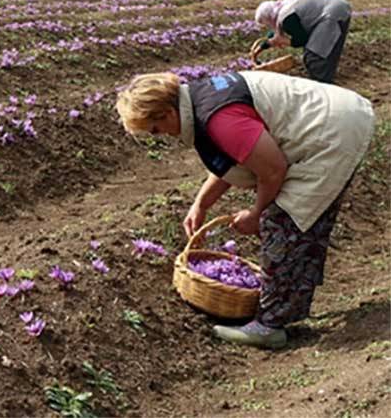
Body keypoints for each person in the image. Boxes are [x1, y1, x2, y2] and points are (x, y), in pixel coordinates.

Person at [115, 70, 374, 349]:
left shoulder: (218, 118)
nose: (161, 136)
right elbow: (240, 154)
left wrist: (256, 214)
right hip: (336, 119)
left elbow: (272, 169)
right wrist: (201, 203)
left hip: (330, 133)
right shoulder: (203, 100)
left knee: (282, 220)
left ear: (167, 113)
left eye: (155, 129)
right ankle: (289, 301)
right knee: (300, 219)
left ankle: (270, 326)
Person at [252, 0, 351, 84]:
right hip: (338, 6)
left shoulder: (287, 18)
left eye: (267, 23)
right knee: (325, 50)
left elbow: (302, 40)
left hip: (332, 14)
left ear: (269, 18)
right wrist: (260, 49)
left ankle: (322, 84)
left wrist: (284, 41)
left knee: (314, 55)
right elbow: (273, 35)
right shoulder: (281, 8)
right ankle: (324, 79)